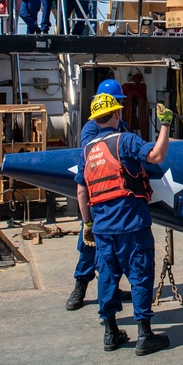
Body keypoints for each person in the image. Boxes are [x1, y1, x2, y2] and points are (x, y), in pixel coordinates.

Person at [75, 93, 173, 355]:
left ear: (95, 119)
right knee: (140, 277)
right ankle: (145, 335)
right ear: (117, 114)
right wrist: (165, 125)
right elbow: (156, 156)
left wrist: (87, 225)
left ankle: (110, 333)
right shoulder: (125, 140)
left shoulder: (87, 151)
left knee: (107, 278)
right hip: (132, 225)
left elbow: (82, 192)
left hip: (102, 230)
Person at [66, 79, 130, 312]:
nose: (120, 110)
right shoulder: (91, 129)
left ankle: (112, 288)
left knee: (114, 249)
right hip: (96, 197)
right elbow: (94, 153)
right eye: (118, 104)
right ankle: (80, 285)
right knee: (88, 245)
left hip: (115, 195)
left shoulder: (122, 127)